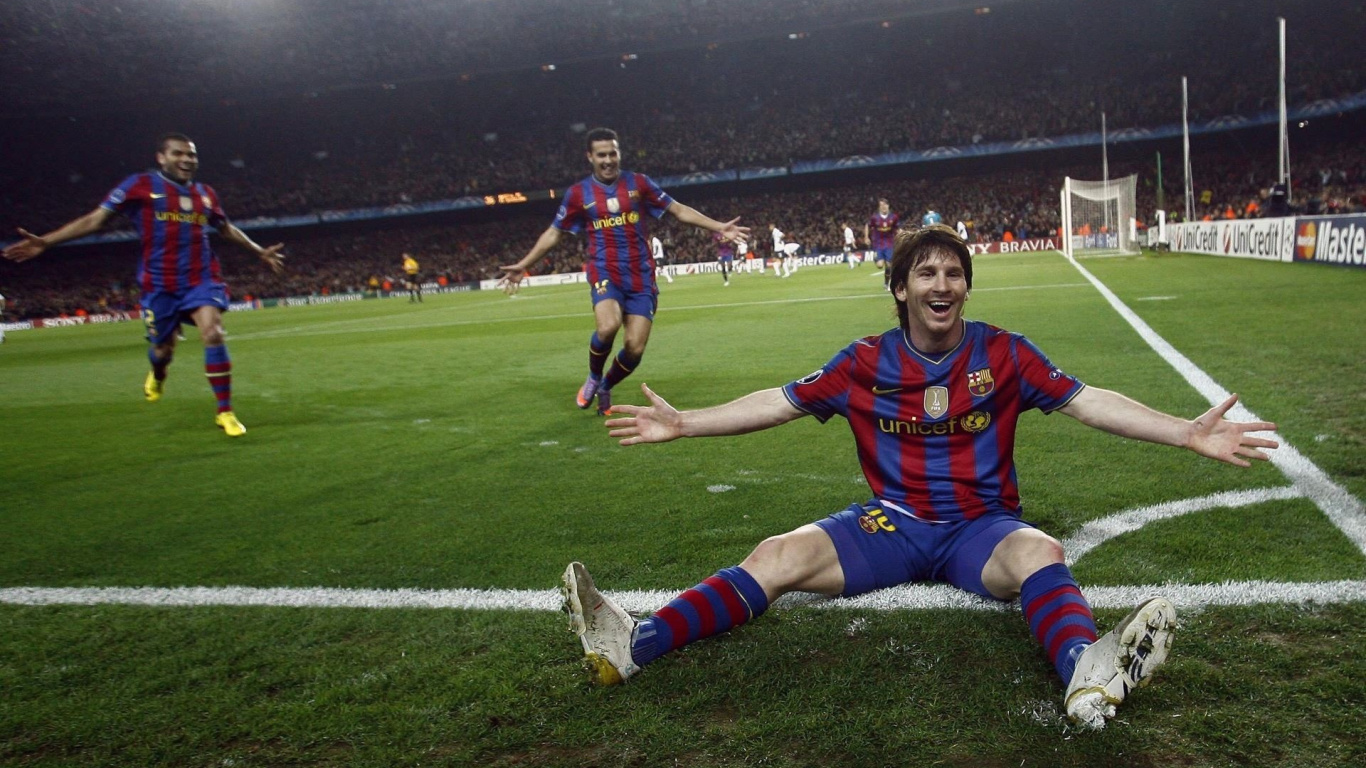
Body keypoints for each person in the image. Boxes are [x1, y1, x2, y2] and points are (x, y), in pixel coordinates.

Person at [563, 225, 1279, 730]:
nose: (944, 285)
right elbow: (777, 403)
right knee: (776, 555)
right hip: (892, 523)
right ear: (900, 287)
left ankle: (1086, 675)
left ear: (966, 285)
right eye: (928, 273)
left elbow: (1091, 402)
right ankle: (635, 646)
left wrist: (1186, 431)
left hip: (982, 530)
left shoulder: (1004, 352)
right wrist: (686, 422)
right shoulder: (863, 362)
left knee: (1042, 553)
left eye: (954, 273)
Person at [2, 133, 284, 436]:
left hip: (201, 278)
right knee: (163, 350)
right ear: (161, 158)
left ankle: (225, 411)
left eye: (191, 155)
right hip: (158, 284)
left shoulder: (206, 194)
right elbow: (95, 220)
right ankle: (159, 373)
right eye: (179, 154)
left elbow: (225, 228)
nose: (187, 160)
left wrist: (258, 251)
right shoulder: (140, 186)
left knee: (213, 332)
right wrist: (46, 242)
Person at [498, 128, 748, 416]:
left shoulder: (639, 183)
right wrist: (524, 264)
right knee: (607, 326)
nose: (608, 160)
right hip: (605, 270)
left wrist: (719, 226)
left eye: (612, 153)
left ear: (619, 153)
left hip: (641, 276)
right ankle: (593, 377)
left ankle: (606, 385)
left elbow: (677, 209)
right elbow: (555, 233)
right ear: (590, 157)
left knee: (634, 348)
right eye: (601, 155)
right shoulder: (579, 193)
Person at [864, 198, 898, 290]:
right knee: (879, 265)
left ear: (888, 206)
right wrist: (866, 237)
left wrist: (903, 235)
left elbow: (897, 228)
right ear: (879, 207)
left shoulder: (893, 217)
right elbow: (867, 225)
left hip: (889, 244)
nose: (883, 207)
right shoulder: (875, 218)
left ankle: (887, 283)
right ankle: (876, 258)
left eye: (885, 205)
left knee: (889, 265)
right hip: (878, 244)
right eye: (881, 205)